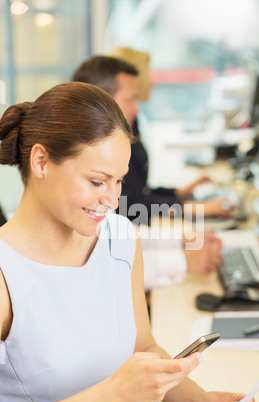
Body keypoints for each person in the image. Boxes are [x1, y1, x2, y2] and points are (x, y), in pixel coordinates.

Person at [0, 82, 253, 402]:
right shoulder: (6, 276)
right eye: (97, 181)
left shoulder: (119, 237)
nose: (113, 199)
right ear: (40, 162)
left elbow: (143, 347)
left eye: (118, 180)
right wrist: (110, 398)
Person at [72, 55, 224, 291]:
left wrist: (179, 240)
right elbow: (97, 272)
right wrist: (181, 260)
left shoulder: (100, 158)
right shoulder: (78, 167)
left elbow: (116, 232)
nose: (137, 108)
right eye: (131, 99)